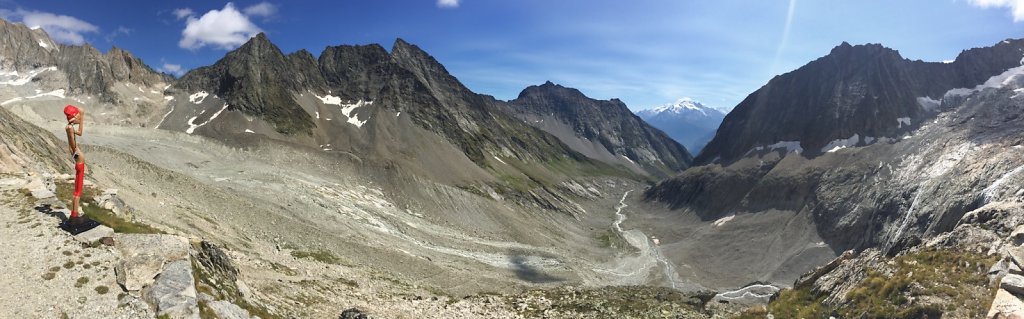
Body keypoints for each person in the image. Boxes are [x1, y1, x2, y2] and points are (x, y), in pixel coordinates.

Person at [63, 105, 88, 226]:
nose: (79, 116)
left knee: (78, 190)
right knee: (77, 192)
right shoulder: (69, 128)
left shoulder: (70, 127)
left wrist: (82, 117)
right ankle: (74, 217)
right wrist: (76, 155)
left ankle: (74, 215)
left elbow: (80, 133)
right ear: (73, 116)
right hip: (79, 160)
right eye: (78, 115)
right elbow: (72, 146)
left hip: (78, 159)